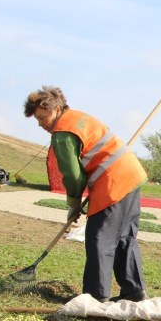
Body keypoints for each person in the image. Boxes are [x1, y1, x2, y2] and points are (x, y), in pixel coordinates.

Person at [23, 86, 148, 303]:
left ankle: (95, 297)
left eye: (43, 118)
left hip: (113, 182)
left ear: (57, 109)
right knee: (124, 237)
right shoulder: (78, 117)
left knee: (100, 238)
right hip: (132, 175)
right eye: (37, 120)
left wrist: (73, 204)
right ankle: (134, 291)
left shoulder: (62, 133)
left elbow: (72, 175)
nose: (41, 124)